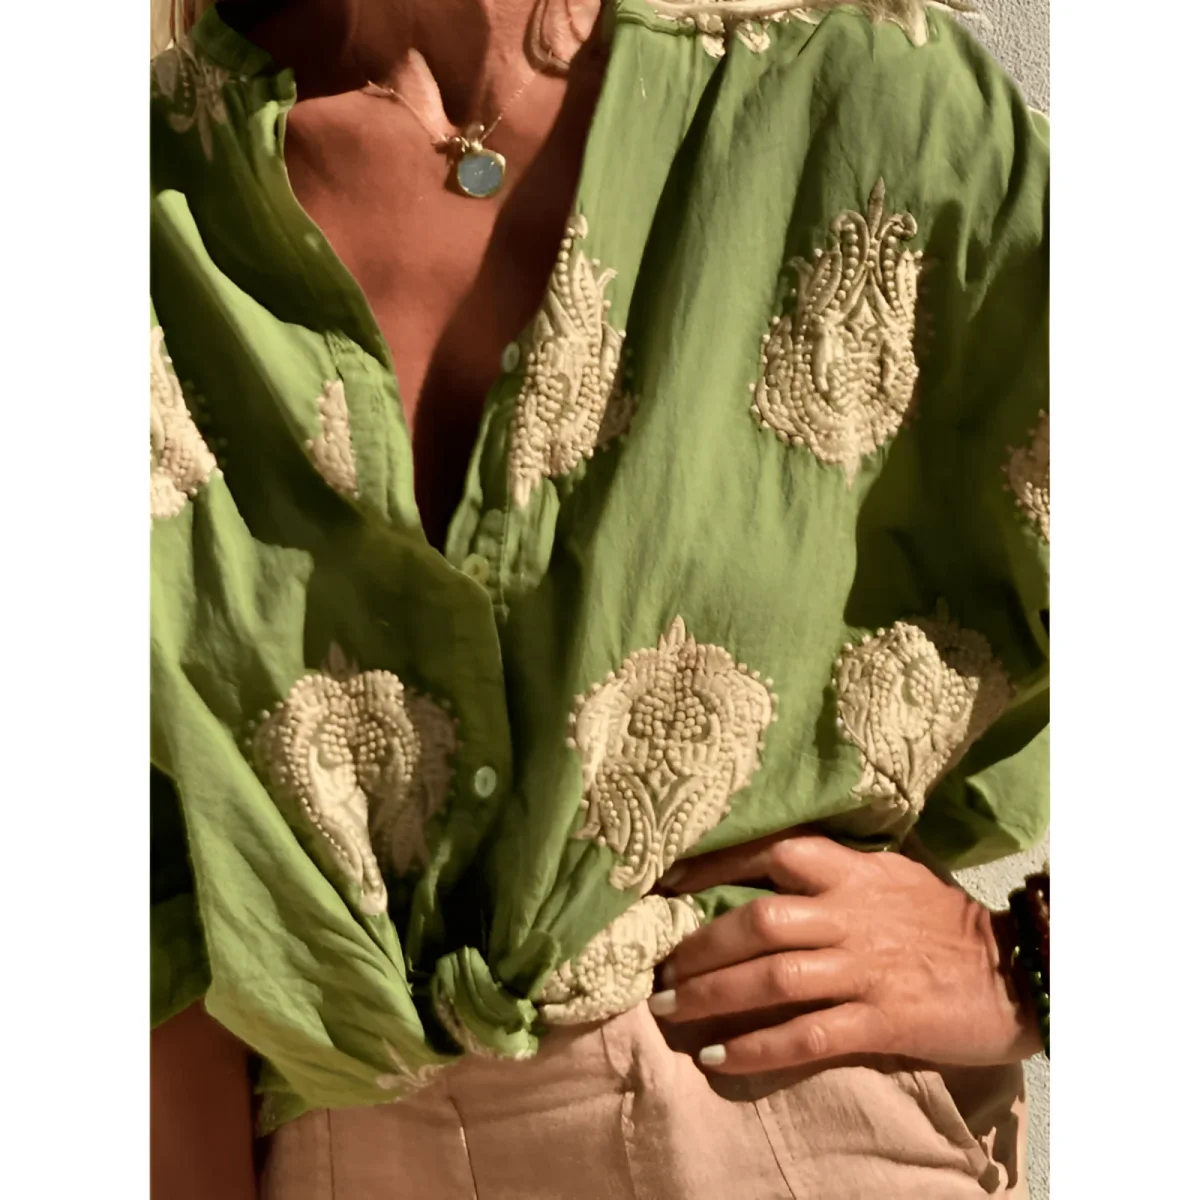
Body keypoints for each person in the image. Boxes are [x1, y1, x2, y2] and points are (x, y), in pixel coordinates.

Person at [149, 1, 1050, 1197]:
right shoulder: (147, 200)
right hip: (317, 1146)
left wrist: (1020, 961)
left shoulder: (867, 101)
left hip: (765, 1111)